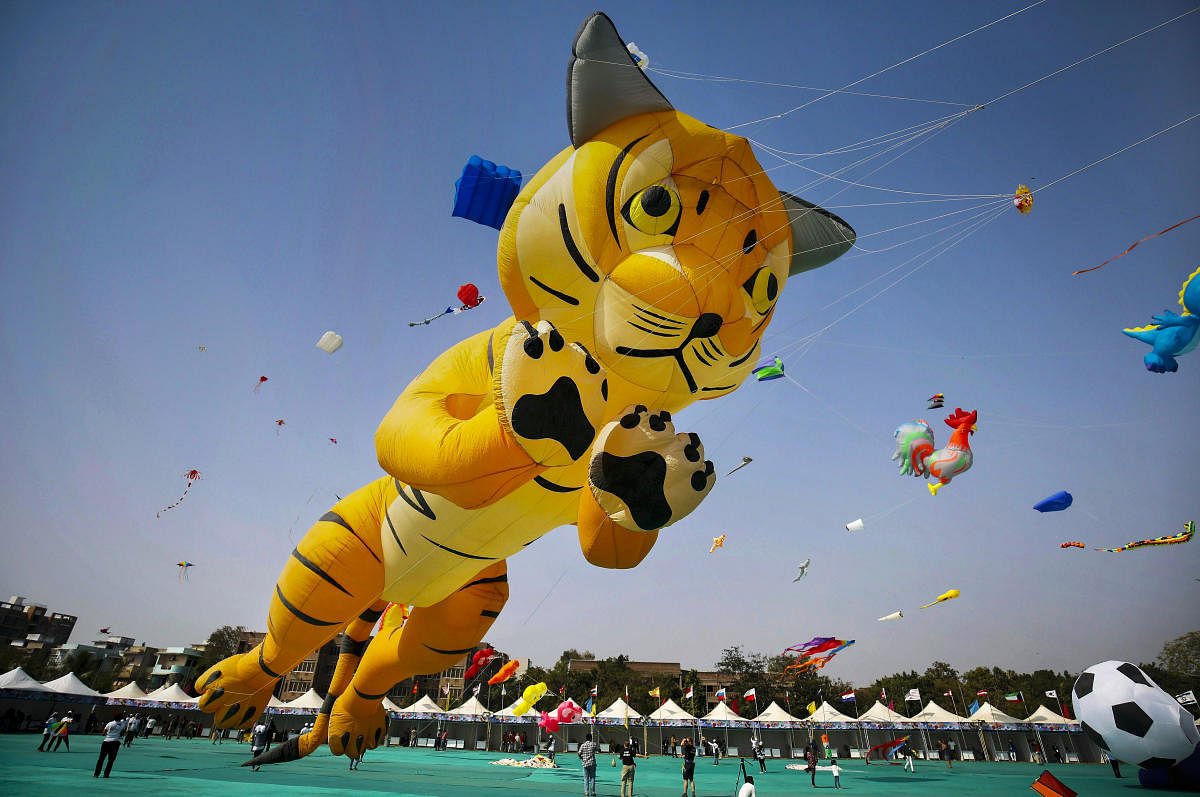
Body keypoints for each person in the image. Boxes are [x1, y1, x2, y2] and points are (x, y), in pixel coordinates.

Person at [94, 711, 127, 778]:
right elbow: (123, 732)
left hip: (106, 741)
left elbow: (104, 732)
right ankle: (106, 774)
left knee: (101, 759)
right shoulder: (122, 724)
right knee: (111, 760)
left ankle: (96, 774)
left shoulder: (110, 723)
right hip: (115, 742)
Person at [578, 732, 598, 797]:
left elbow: (579, 753)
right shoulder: (593, 744)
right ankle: (593, 792)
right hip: (592, 763)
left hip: (585, 763)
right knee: (592, 778)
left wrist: (581, 757)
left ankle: (586, 792)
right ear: (591, 738)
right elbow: (598, 749)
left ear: (586, 738)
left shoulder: (583, 745)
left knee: (586, 778)